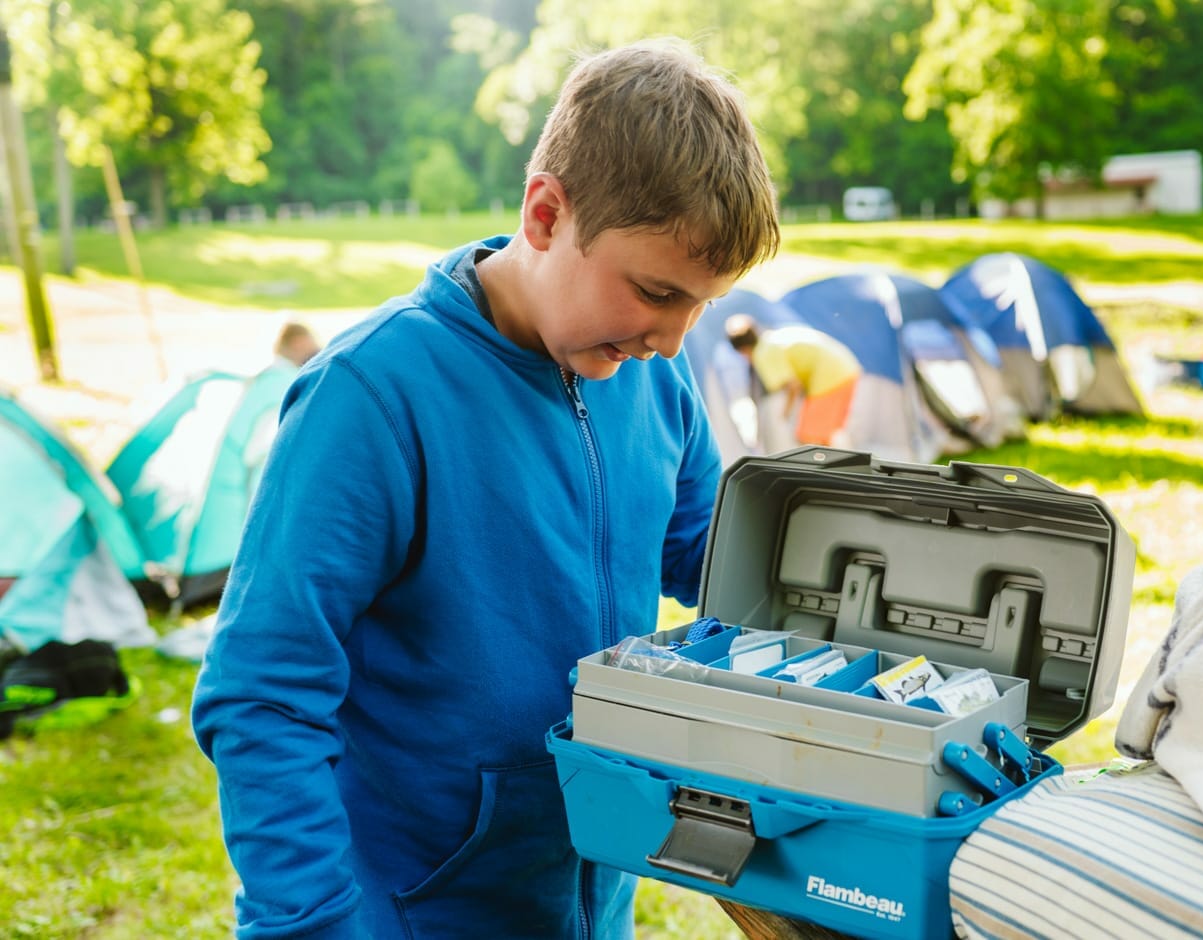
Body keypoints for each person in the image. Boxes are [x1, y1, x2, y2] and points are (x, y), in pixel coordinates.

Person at [191, 38, 778, 940]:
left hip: (582, 896)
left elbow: (715, 569)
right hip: (413, 910)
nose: (672, 338)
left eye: (698, 306)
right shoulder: (374, 398)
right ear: (546, 214)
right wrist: (306, 926)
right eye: (657, 292)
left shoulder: (651, 380)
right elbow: (263, 692)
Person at [724, 313, 861, 448]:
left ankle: (818, 469)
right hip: (846, 367)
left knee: (808, 438)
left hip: (830, 376)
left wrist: (786, 413)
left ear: (742, 350)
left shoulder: (763, 354)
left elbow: (793, 385)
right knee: (824, 435)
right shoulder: (770, 339)